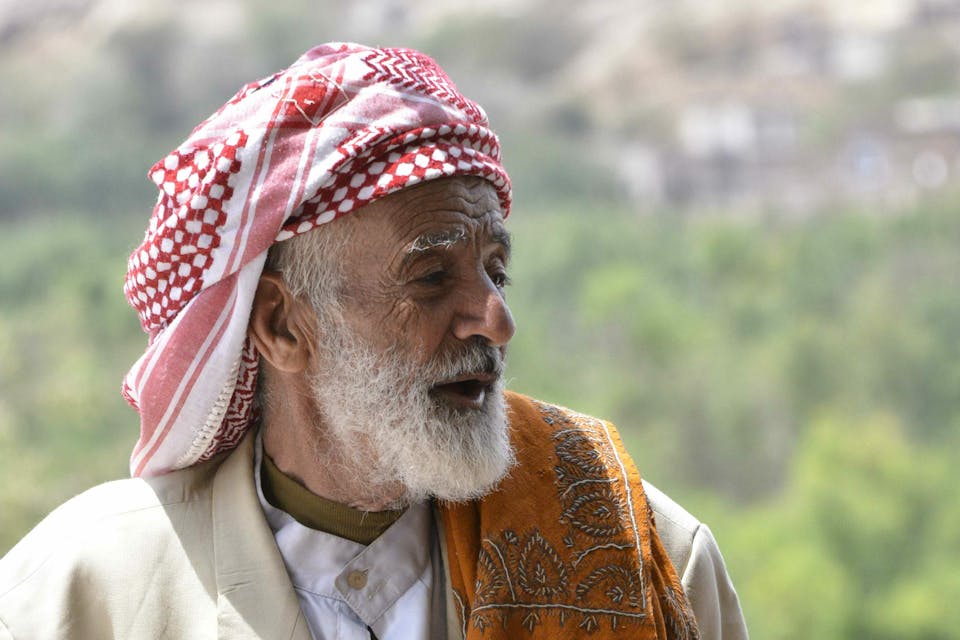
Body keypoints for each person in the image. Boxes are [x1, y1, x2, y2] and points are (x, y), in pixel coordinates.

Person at [0, 43, 747, 639]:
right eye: (431, 277)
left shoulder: (647, 558)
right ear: (282, 326)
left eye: (495, 271)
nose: (495, 320)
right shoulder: (79, 596)